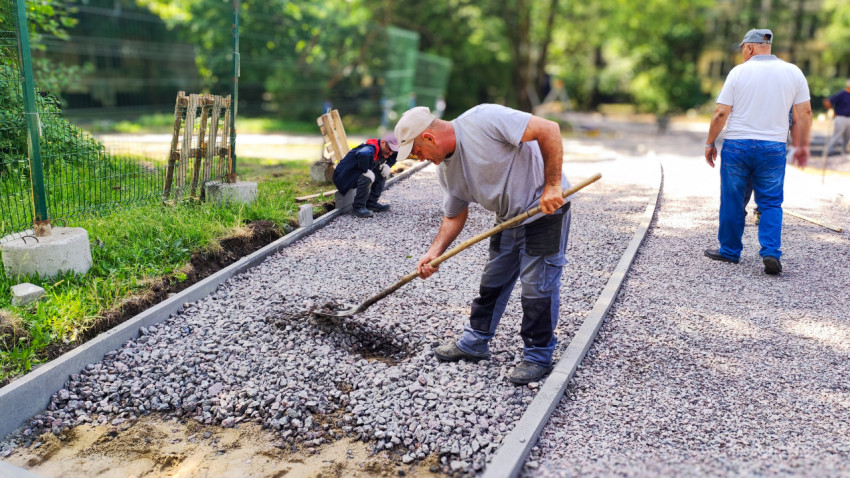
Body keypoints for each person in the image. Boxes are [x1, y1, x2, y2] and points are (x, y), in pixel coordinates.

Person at [393, 105, 571, 385]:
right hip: (508, 218)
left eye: (417, 152)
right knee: (493, 281)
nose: (420, 159)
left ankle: (538, 356)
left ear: (429, 138)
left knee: (538, 286)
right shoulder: (446, 173)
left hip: (544, 210)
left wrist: (552, 186)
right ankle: (475, 342)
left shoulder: (483, 120)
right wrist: (433, 253)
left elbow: (549, 129)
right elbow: (454, 215)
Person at [704, 28, 812, 275]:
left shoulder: (738, 72)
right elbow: (804, 114)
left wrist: (710, 142)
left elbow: (720, 112)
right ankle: (771, 252)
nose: (742, 52)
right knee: (771, 202)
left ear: (750, 47)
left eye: (742, 48)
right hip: (773, 147)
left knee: (733, 199)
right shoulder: (793, 72)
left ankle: (730, 252)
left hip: (738, 147)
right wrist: (802, 145)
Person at [332, 135, 398, 218]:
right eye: (389, 149)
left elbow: (395, 154)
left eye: (392, 150)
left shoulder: (384, 149)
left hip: (356, 173)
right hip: (345, 177)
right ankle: (358, 207)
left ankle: (371, 204)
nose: (390, 153)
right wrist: (365, 170)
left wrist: (388, 165)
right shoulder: (370, 149)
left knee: (382, 173)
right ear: (382, 143)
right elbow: (363, 154)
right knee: (367, 177)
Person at [823, 79, 850, 156]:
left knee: (848, 137)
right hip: (841, 117)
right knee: (837, 134)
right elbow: (827, 102)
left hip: (849, 118)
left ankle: (845, 150)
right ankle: (830, 150)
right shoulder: (842, 94)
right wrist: (831, 111)